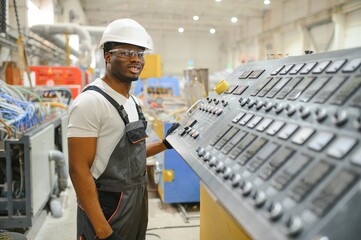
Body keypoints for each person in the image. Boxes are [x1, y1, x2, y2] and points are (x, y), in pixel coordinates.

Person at [67, 18, 179, 240]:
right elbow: (78, 170)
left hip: (136, 200)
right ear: (107, 56)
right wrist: (103, 230)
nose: (136, 59)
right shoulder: (90, 102)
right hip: (107, 206)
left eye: (140, 54)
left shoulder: (132, 101)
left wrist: (165, 144)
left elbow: (130, 154)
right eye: (127, 52)